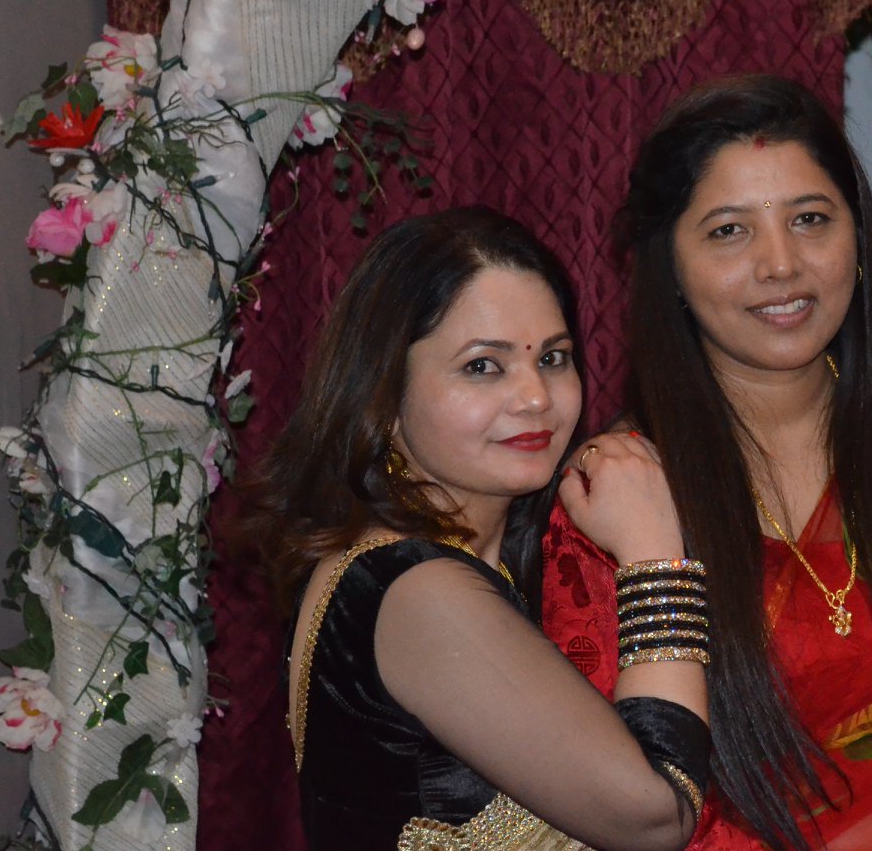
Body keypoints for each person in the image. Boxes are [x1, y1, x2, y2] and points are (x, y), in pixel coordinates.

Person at [543, 75, 872, 850]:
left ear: (860, 239)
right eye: (729, 231)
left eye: (810, 219)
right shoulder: (619, 495)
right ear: (669, 266)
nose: (781, 264)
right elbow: (625, 802)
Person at [249, 206, 713, 849]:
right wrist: (654, 554)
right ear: (384, 392)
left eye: (553, 358)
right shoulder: (415, 590)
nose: (536, 397)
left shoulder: (461, 567)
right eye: (482, 366)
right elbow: (657, 816)